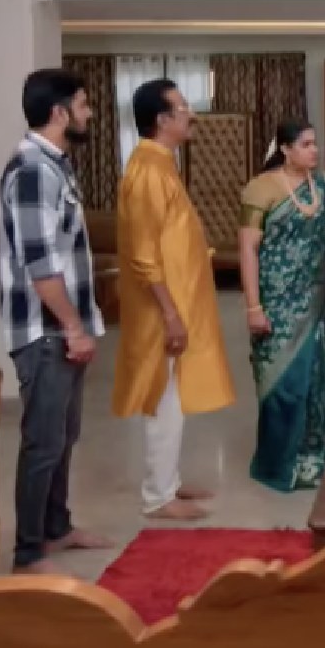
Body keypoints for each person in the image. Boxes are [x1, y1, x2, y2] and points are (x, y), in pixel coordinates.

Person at [0, 68, 112, 573]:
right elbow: (41, 265)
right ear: (60, 112)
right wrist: (73, 327)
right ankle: (28, 552)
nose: (90, 113)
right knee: (43, 443)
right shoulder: (31, 172)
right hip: (45, 332)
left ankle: (57, 528)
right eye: (83, 105)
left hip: (61, 328)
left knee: (63, 437)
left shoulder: (55, 167)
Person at [112, 78, 236, 520]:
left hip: (178, 304)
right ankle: (157, 496)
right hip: (161, 311)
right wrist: (169, 314)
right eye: (184, 108)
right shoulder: (147, 172)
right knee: (163, 399)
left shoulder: (162, 164)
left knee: (174, 397)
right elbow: (144, 256)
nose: (193, 115)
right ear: (163, 120)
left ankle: (170, 481)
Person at [240, 120, 325, 489]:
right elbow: (248, 249)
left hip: (320, 299)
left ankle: (317, 456)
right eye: (306, 144)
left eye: (315, 143)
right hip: (277, 301)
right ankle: (280, 462)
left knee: (319, 376)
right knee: (281, 380)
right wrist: (253, 307)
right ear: (285, 149)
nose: (314, 150)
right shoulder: (261, 188)